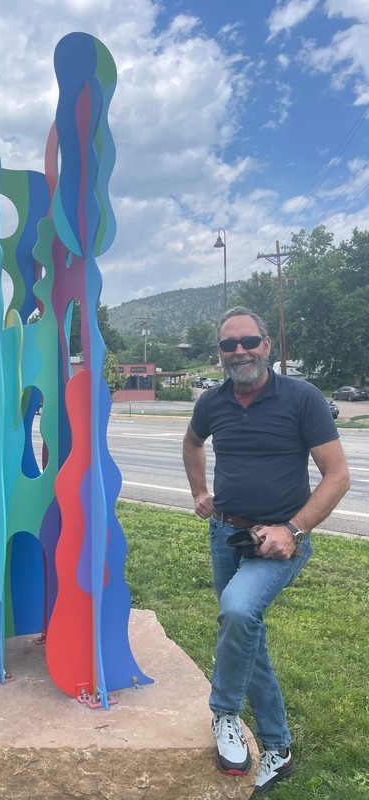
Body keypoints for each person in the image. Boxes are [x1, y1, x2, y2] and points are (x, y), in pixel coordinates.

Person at [182, 307, 349, 794]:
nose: (239, 351)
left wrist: (293, 530)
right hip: (226, 535)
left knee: (237, 611)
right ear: (219, 353)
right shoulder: (213, 401)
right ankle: (278, 749)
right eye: (228, 345)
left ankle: (224, 714)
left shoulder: (301, 397)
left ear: (267, 345)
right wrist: (199, 492)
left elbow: (337, 477)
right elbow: (192, 444)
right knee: (246, 633)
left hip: (279, 544)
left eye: (248, 341)